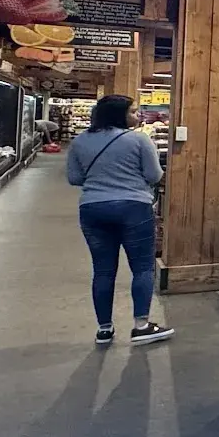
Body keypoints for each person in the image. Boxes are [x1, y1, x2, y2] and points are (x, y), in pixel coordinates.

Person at [66, 94, 172, 346]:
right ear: (119, 115)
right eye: (133, 112)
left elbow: (74, 178)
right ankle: (141, 326)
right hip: (133, 207)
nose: (138, 116)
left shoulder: (80, 141)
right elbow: (154, 174)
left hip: (93, 209)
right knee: (142, 267)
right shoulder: (139, 140)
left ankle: (104, 329)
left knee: (103, 270)